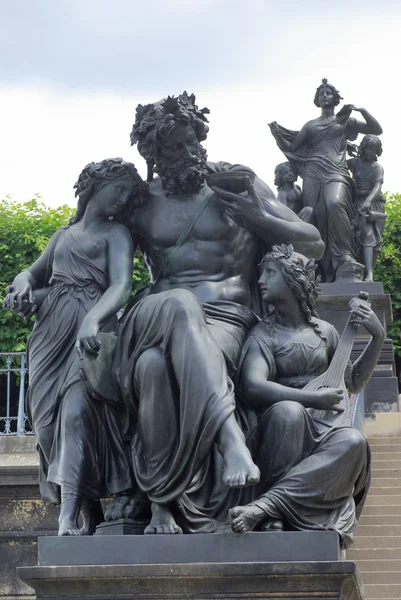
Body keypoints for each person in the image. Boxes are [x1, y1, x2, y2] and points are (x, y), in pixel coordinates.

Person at [111, 91, 324, 534]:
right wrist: (30, 280)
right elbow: (89, 244)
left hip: (227, 321)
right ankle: (231, 441)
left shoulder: (235, 184)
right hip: (152, 315)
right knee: (176, 303)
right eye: (176, 147)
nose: (190, 153)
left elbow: (313, 243)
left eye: (195, 142)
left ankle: (163, 500)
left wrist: (260, 218)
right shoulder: (138, 203)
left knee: (153, 366)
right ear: (153, 153)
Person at [3, 158, 147, 536]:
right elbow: (31, 274)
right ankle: (89, 510)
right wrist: (21, 290)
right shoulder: (62, 236)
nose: (122, 199)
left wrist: (92, 319)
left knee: (77, 413)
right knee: (48, 429)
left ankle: (67, 517)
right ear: (94, 187)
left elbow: (120, 286)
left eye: (128, 195)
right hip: (49, 333)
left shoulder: (117, 235)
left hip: (89, 335)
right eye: (118, 189)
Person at [229, 244, 384, 547]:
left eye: (270, 273)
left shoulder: (325, 333)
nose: (261, 281)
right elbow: (253, 386)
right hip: (278, 427)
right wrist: (310, 400)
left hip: (324, 428)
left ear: (293, 279)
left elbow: (352, 382)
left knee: (354, 442)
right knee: (290, 411)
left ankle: (267, 506)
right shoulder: (264, 334)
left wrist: (377, 336)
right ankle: (271, 509)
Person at [269, 79, 383, 282]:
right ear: (317, 99)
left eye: (328, 92)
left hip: (337, 171)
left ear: (336, 98)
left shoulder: (345, 121)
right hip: (312, 174)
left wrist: (362, 109)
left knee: (334, 203)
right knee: (317, 216)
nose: (324, 95)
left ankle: (344, 256)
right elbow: (292, 147)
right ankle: (318, 265)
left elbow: (376, 129)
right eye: (321, 93)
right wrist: (276, 134)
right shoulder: (310, 125)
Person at [348, 135, 385, 281]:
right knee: (364, 236)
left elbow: (377, 186)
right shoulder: (354, 163)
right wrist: (345, 145)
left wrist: (369, 200)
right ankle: (367, 272)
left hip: (374, 204)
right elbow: (336, 164)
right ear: (363, 148)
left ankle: (369, 271)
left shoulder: (377, 168)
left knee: (374, 244)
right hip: (357, 204)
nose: (372, 153)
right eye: (369, 148)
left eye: (375, 150)